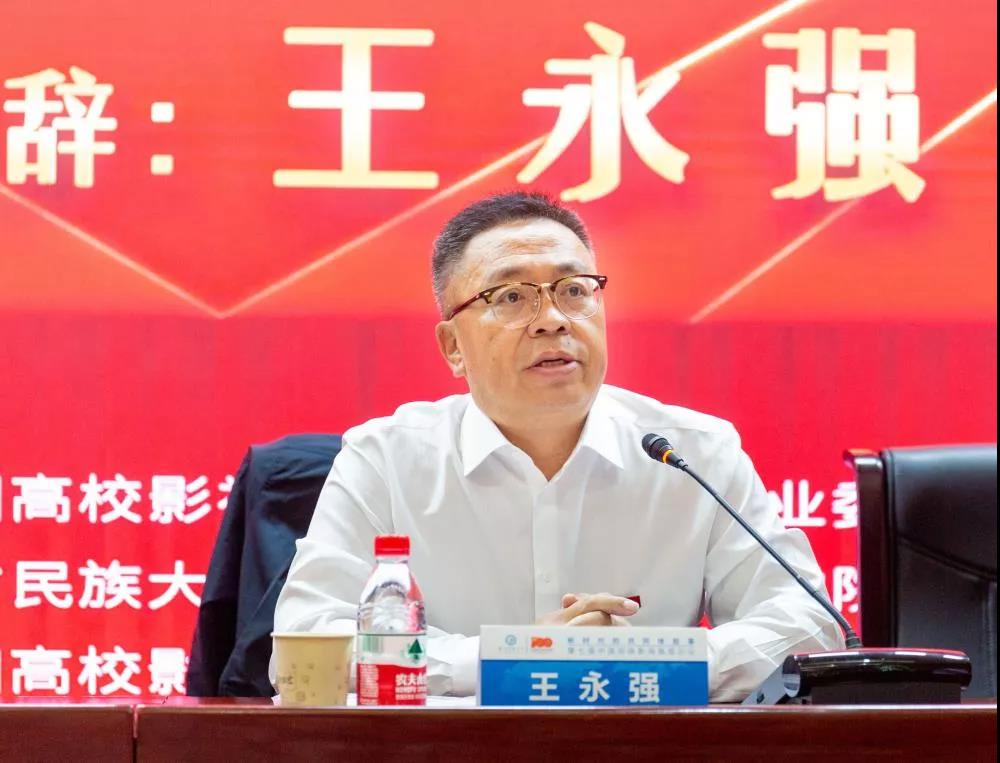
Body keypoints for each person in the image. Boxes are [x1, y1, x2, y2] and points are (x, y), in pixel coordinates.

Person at [273, 191, 843, 702]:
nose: (552, 320)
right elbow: (306, 643)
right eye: (510, 296)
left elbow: (810, 627)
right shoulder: (386, 460)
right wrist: (514, 657)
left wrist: (644, 662)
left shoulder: (695, 453)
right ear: (452, 347)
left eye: (574, 291)